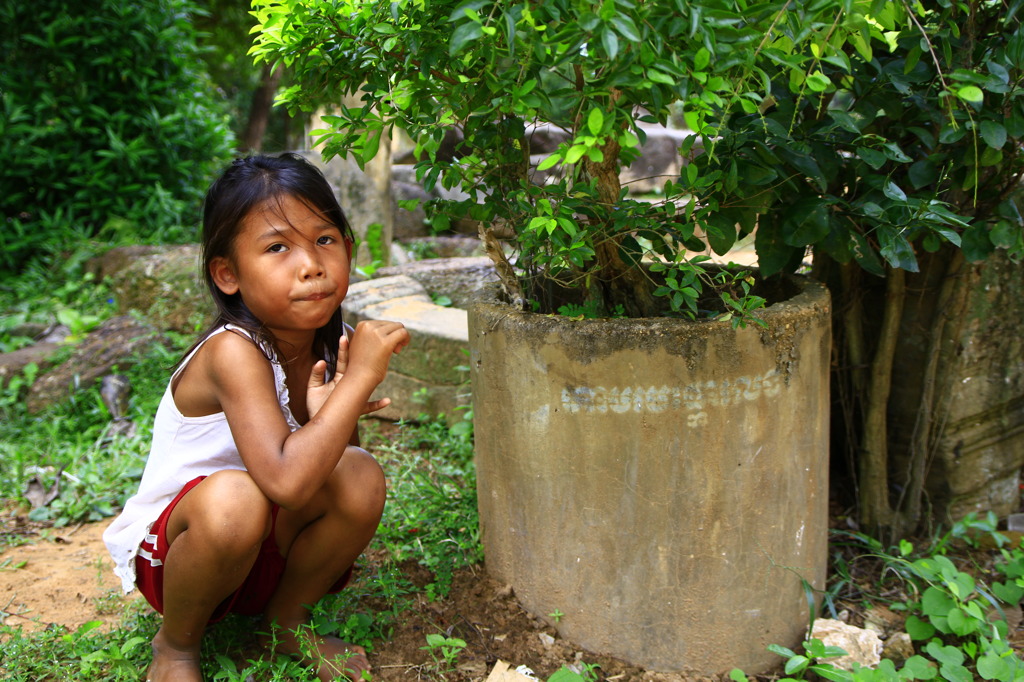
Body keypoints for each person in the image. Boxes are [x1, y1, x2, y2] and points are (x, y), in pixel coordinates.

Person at [102, 153, 410, 682]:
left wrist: (330, 409)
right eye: (276, 247)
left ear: (350, 249)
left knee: (359, 472)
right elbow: (287, 483)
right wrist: (361, 379)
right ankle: (174, 648)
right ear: (228, 274)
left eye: (324, 240)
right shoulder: (232, 353)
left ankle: (287, 619)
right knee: (235, 498)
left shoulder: (325, 339)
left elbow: (329, 468)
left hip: (264, 551)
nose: (311, 264)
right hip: (180, 556)